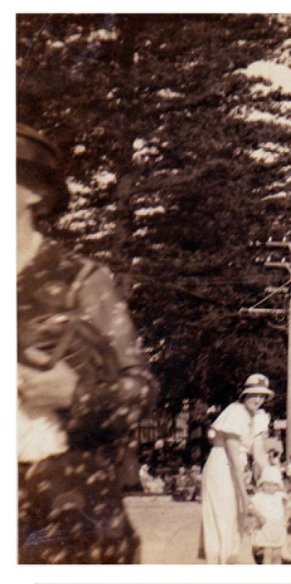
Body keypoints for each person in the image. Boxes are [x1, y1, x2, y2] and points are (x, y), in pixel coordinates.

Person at [17, 124, 159, 563]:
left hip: (64, 521)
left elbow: (140, 390)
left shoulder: (79, 279)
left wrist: (75, 396)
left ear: (33, 191)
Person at [201, 373, 274, 564]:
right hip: (221, 466)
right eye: (253, 395)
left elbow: (259, 455)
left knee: (238, 522)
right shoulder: (235, 413)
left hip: (238, 467)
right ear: (244, 395)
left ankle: (229, 562)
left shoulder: (258, 417)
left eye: (262, 396)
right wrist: (244, 495)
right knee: (224, 519)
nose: (258, 400)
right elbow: (232, 459)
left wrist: (275, 480)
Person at [250, 466, 287, 564]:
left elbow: (285, 503)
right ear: (261, 484)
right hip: (266, 529)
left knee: (278, 554)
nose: (271, 487)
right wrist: (258, 515)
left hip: (278, 530)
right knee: (268, 553)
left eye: (274, 485)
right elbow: (249, 508)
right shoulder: (259, 496)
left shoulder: (279, 495)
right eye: (268, 484)